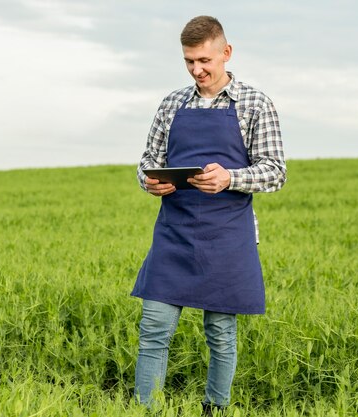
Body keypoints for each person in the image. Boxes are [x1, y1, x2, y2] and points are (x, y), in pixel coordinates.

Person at [131, 15, 287, 415]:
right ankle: (144, 409)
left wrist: (230, 177)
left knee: (220, 332)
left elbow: (275, 171)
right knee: (153, 328)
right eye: (188, 62)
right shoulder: (172, 103)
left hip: (227, 235)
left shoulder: (254, 104)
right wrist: (149, 180)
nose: (197, 70)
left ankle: (214, 409)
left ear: (226, 53)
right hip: (174, 232)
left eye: (204, 60)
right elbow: (148, 159)